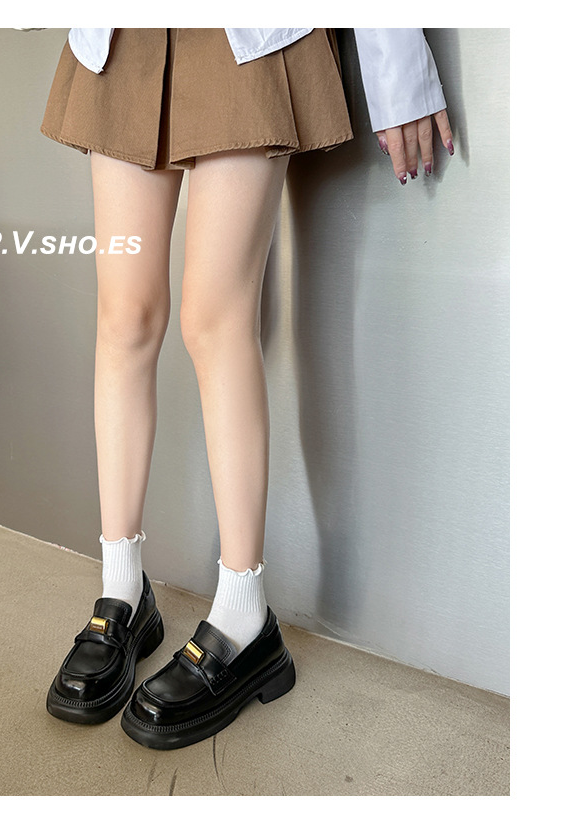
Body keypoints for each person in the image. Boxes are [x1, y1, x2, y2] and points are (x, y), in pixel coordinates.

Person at [38, 28, 453, 751]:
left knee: (215, 318)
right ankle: (123, 591)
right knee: (124, 317)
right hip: (128, 38)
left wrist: (399, 71)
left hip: (243, 42)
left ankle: (243, 614)